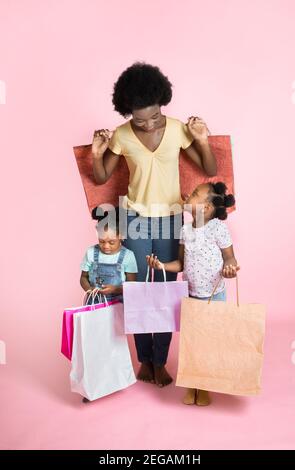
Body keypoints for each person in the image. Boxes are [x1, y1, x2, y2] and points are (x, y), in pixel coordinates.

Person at [92, 62, 217, 387]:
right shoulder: (121, 135)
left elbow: (208, 168)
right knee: (135, 289)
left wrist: (201, 139)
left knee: (165, 290)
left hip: (169, 219)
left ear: (163, 105)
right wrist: (97, 154)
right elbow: (101, 176)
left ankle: (159, 361)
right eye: (139, 119)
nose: (148, 125)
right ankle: (143, 360)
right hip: (133, 219)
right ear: (127, 113)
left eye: (155, 117)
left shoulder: (177, 129)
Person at [147, 182, 240, 405]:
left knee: (208, 342)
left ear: (206, 208)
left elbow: (230, 257)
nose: (189, 194)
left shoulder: (217, 228)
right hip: (191, 294)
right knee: (192, 343)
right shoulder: (185, 230)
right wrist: (159, 265)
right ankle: (191, 384)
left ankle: (205, 386)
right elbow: (180, 263)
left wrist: (231, 268)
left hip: (213, 295)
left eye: (196, 194)